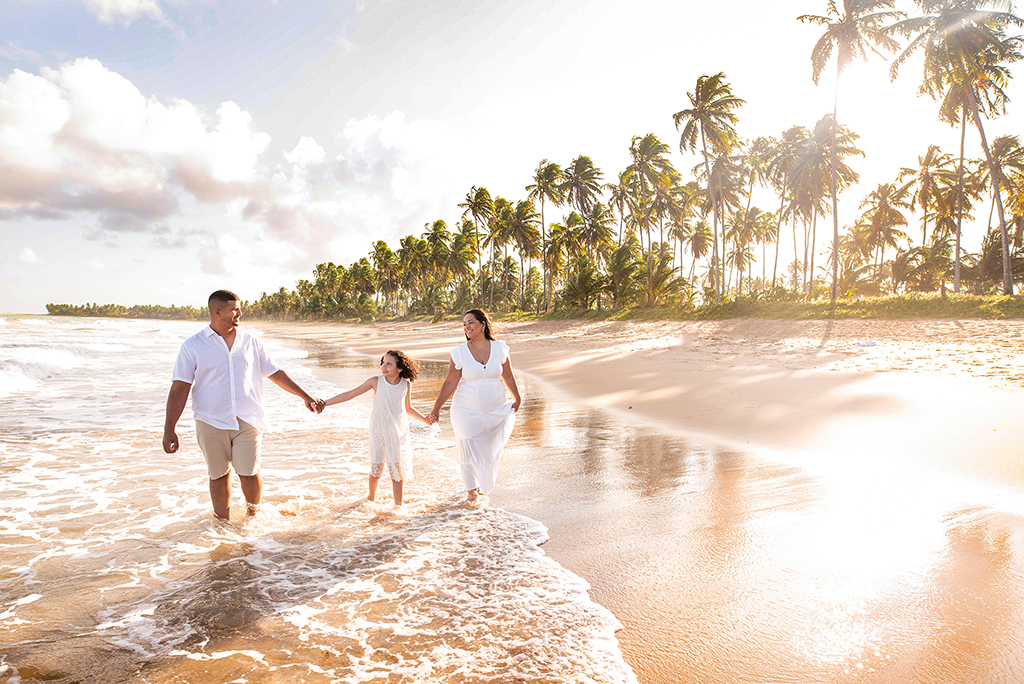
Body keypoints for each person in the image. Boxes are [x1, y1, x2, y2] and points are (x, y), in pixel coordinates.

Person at [162, 290, 322, 519]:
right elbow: (180, 388)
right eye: (234, 309)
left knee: (249, 473)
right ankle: (222, 525)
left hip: (248, 418)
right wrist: (170, 428)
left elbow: (275, 373)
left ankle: (253, 518)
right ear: (217, 312)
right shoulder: (193, 346)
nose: (240, 313)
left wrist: (305, 396)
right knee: (218, 475)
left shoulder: (251, 342)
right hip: (211, 420)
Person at [428, 309, 521, 503]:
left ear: (483, 324)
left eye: (470, 322)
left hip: (495, 408)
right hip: (465, 410)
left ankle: (482, 486)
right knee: (467, 446)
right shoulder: (459, 353)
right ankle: (471, 492)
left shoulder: (500, 348)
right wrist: (436, 408)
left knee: (488, 449)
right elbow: (450, 382)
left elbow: (508, 375)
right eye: (464, 324)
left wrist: (517, 397)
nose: (466, 327)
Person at [320, 350, 430, 507]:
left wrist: (425, 419)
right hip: (378, 430)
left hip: (397, 432)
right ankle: (370, 498)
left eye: (389, 364)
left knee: (397, 471)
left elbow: (408, 408)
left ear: (400, 368)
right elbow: (350, 394)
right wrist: (325, 403)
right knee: (377, 469)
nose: (383, 366)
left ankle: (398, 506)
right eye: (383, 363)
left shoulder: (405, 384)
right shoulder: (375, 381)